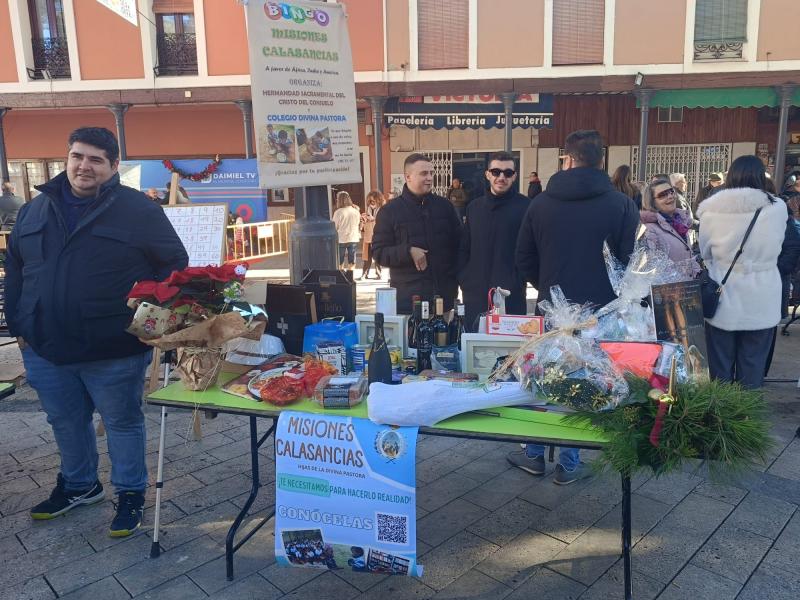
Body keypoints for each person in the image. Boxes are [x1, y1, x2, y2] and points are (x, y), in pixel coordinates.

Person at [4, 127, 188, 536]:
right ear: (67, 158)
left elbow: (174, 265)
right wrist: (18, 325)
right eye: (77, 156)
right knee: (65, 421)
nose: (84, 166)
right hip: (45, 345)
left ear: (113, 165)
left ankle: (130, 493)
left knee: (122, 422)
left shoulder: (137, 210)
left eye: (95, 159)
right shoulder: (35, 210)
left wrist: (149, 321)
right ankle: (79, 485)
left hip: (114, 345)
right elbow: (15, 267)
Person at [512, 130, 639, 485]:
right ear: (602, 159)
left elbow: (523, 257)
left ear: (566, 159)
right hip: (601, 312)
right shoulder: (621, 204)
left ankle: (534, 451)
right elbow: (629, 262)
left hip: (553, 309)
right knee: (585, 380)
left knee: (544, 375)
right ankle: (569, 461)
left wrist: (549, 289)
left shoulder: (540, 203)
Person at [697, 155, 788, 388]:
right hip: (763, 294)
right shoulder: (777, 208)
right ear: (760, 176)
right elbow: (779, 245)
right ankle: (749, 410)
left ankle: (722, 411)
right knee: (753, 365)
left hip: (723, 293)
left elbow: (705, 252)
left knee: (720, 367)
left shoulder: (711, 210)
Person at [372, 153, 462, 314]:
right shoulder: (389, 211)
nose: (429, 178)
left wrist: (456, 277)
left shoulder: (445, 207)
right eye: (424, 173)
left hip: (444, 301)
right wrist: (408, 251)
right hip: (409, 302)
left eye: (431, 173)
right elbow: (379, 253)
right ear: (408, 177)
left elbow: (460, 245)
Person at [458, 151, 530, 331]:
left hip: (511, 295)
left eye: (508, 173)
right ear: (487, 174)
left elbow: (532, 251)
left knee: (509, 346)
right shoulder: (474, 207)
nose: (501, 177)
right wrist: (465, 278)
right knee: (474, 344)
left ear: (514, 176)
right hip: (475, 294)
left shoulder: (526, 207)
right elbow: (464, 247)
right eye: (496, 172)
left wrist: (518, 279)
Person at [640, 179, 700, 278]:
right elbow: (651, 267)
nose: (670, 196)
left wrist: (697, 272)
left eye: (671, 191)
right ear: (652, 203)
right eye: (663, 195)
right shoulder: (649, 229)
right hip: (670, 287)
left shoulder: (680, 222)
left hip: (689, 285)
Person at [331, 190, 361, 271]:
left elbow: (334, 226)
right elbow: (358, 223)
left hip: (341, 238)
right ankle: (350, 275)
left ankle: (341, 275)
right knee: (352, 259)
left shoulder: (338, 212)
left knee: (340, 259)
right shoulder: (356, 211)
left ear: (340, 200)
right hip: (353, 237)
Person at [359, 190, 383, 280]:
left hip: (378, 236)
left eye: (373, 200)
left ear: (378, 200)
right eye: (370, 201)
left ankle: (379, 274)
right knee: (367, 257)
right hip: (368, 236)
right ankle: (364, 274)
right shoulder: (367, 209)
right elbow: (362, 226)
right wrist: (363, 220)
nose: (371, 203)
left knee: (377, 256)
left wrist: (373, 219)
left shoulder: (382, 210)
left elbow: (384, 222)